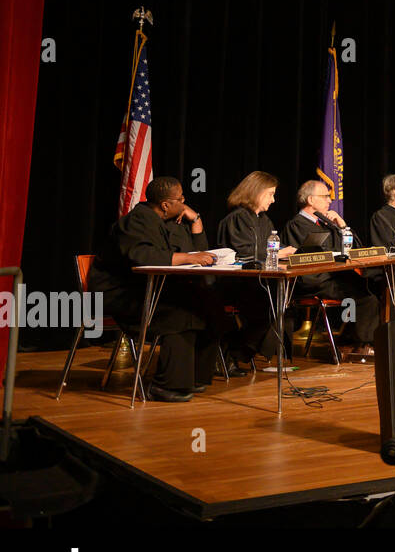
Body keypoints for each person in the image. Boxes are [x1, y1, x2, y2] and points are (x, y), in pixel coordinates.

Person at [86, 176, 224, 402]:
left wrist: (196, 221)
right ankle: (166, 386)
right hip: (122, 294)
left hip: (149, 291)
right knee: (182, 313)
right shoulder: (136, 221)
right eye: (181, 199)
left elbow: (194, 254)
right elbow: (144, 257)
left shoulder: (170, 224)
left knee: (210, 309)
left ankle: (193, 378)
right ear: (165, 205)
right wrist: (188, 257)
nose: (184, 202)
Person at [282, 180, 379, 359]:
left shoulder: (326, 223)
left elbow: (355, 248)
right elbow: (315, 255)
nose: (329, 201)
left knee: (367, 291)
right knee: (361, 298)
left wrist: (342, 226)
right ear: (311, 199)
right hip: (314, 279)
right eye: (325, 196)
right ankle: (356, 344)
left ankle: (350, 342)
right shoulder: (297, 224)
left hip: (334, 276)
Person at [215, 171, 298, 368]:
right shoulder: (237, 219)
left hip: (259, 281)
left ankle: (237, 353)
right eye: (270, 194)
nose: (273, 200)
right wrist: (278, 254)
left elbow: (271, 248)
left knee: (283, 305)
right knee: (269, 305)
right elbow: (243, 253)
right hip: (236, 282)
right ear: (256, 192)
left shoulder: (264, 221)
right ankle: (233, 352)